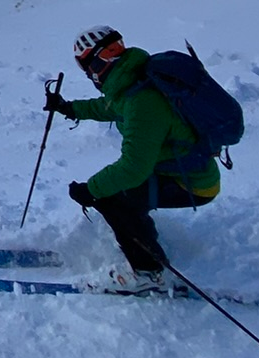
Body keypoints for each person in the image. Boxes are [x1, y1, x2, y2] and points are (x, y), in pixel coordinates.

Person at [43, 25, 221, 293]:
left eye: (86, 65)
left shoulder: (142, 101)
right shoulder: (132, 81)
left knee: (112, 198)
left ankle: (148, 273)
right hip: (177, 169)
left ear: (99, 61)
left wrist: (90, 189)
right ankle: (145, 243)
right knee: (122, 194)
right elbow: (107, 108)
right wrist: (68, 108)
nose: (88, 73)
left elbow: (133, 169)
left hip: (193, 183)